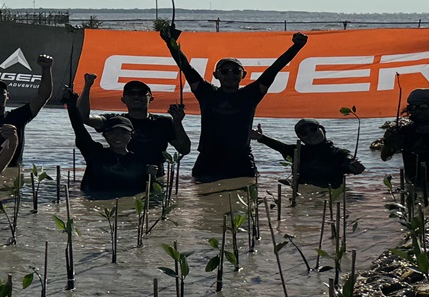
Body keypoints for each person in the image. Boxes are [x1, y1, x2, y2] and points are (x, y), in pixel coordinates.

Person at [160, 28, 308, 183]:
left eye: (236, 71)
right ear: (216, 75)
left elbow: (275, 68)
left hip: (241, 160)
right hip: (208, 159)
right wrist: (170, 42)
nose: (230, 75)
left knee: (246, 202)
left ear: (243, 74)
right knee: (203, 203)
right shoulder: (206, 92)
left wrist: (296, 47)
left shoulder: (251, 94)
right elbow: (186, 67)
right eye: (225, 71)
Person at [78, 75, 190, 175]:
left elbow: (184, 149)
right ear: (123, 99)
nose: (136, 96)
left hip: (153, 176)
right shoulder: (115, 120)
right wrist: (87, 86)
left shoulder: (164, 122)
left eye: (141, 93)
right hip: (122, 175)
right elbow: (83, 118)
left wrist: (177, 122)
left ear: (151, 99)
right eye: (131, 93)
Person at [0, 54, 54, 168]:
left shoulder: (18, 117)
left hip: (13, 174)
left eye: (0, 92)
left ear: (8, 96)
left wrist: (46, 69)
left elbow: (43, 96)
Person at [63, 89, 154, 199]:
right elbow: (79, 129)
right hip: (94, 206)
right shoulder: (95, 154)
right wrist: (72, 106)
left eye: (123, 133)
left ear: (131, 135)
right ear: (104, 135)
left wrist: (151, 176)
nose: (118, 137)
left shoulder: (140, 162)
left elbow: (148, 194)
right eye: (112, 133)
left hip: (126, 210)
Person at [252, 119, 365, 189]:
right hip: (304, 193)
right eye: (303, 133)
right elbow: (278, 146)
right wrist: (260, 137)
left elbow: (352, 163)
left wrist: (356, 167)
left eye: (313, 129)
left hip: (332, 196)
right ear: (300, 138)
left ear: (323, 130)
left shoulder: (339, 154)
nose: (310, 134)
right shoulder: (296, 152)